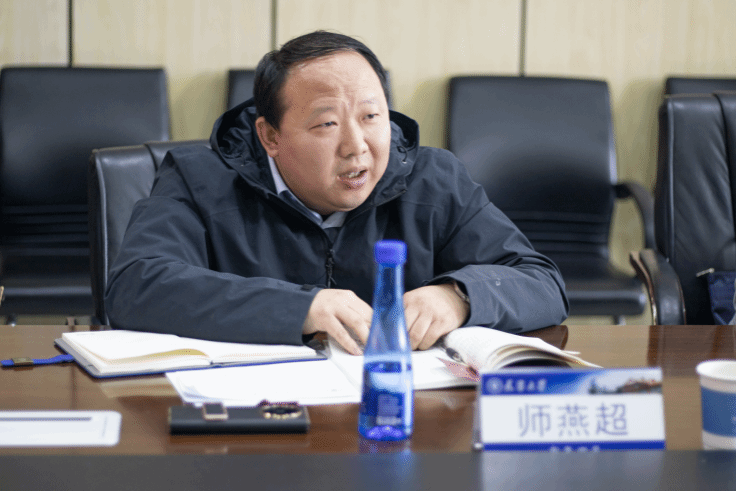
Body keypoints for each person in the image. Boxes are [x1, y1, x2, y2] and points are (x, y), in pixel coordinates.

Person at [105, 30, 568, 355]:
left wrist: (459, 297)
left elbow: (541, 282)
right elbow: (135, 286)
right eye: (327, 124)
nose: (356, 146)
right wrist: (300, 308)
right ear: (270, 137)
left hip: (396, 420)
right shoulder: (198, 179)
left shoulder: (435, 179)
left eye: (371, 117)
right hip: (256, 427)